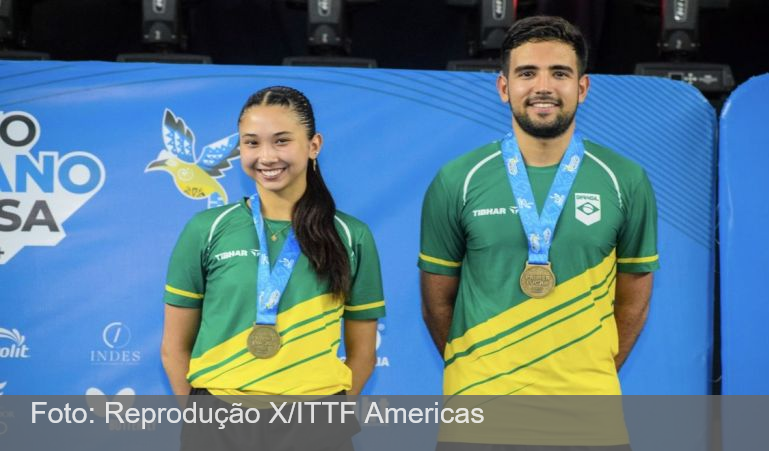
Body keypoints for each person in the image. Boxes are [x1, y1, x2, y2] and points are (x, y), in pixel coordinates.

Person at [419, 16, 658, 445]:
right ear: (503, 87)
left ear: (581, 89)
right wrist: (477, 372)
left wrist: (586, 370)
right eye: (527, 73)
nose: (543, 87)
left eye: (560, 73)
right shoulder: (458, 179)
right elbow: (438, 302)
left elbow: (635, 295)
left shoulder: (626, 179)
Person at [160, 86, 385, 449]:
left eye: (281, 141)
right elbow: (173, 348)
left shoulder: (350, 235)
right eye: (252, 143)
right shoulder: (207, 229)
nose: (266, 156)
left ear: (314, 146)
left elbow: (363, 353)